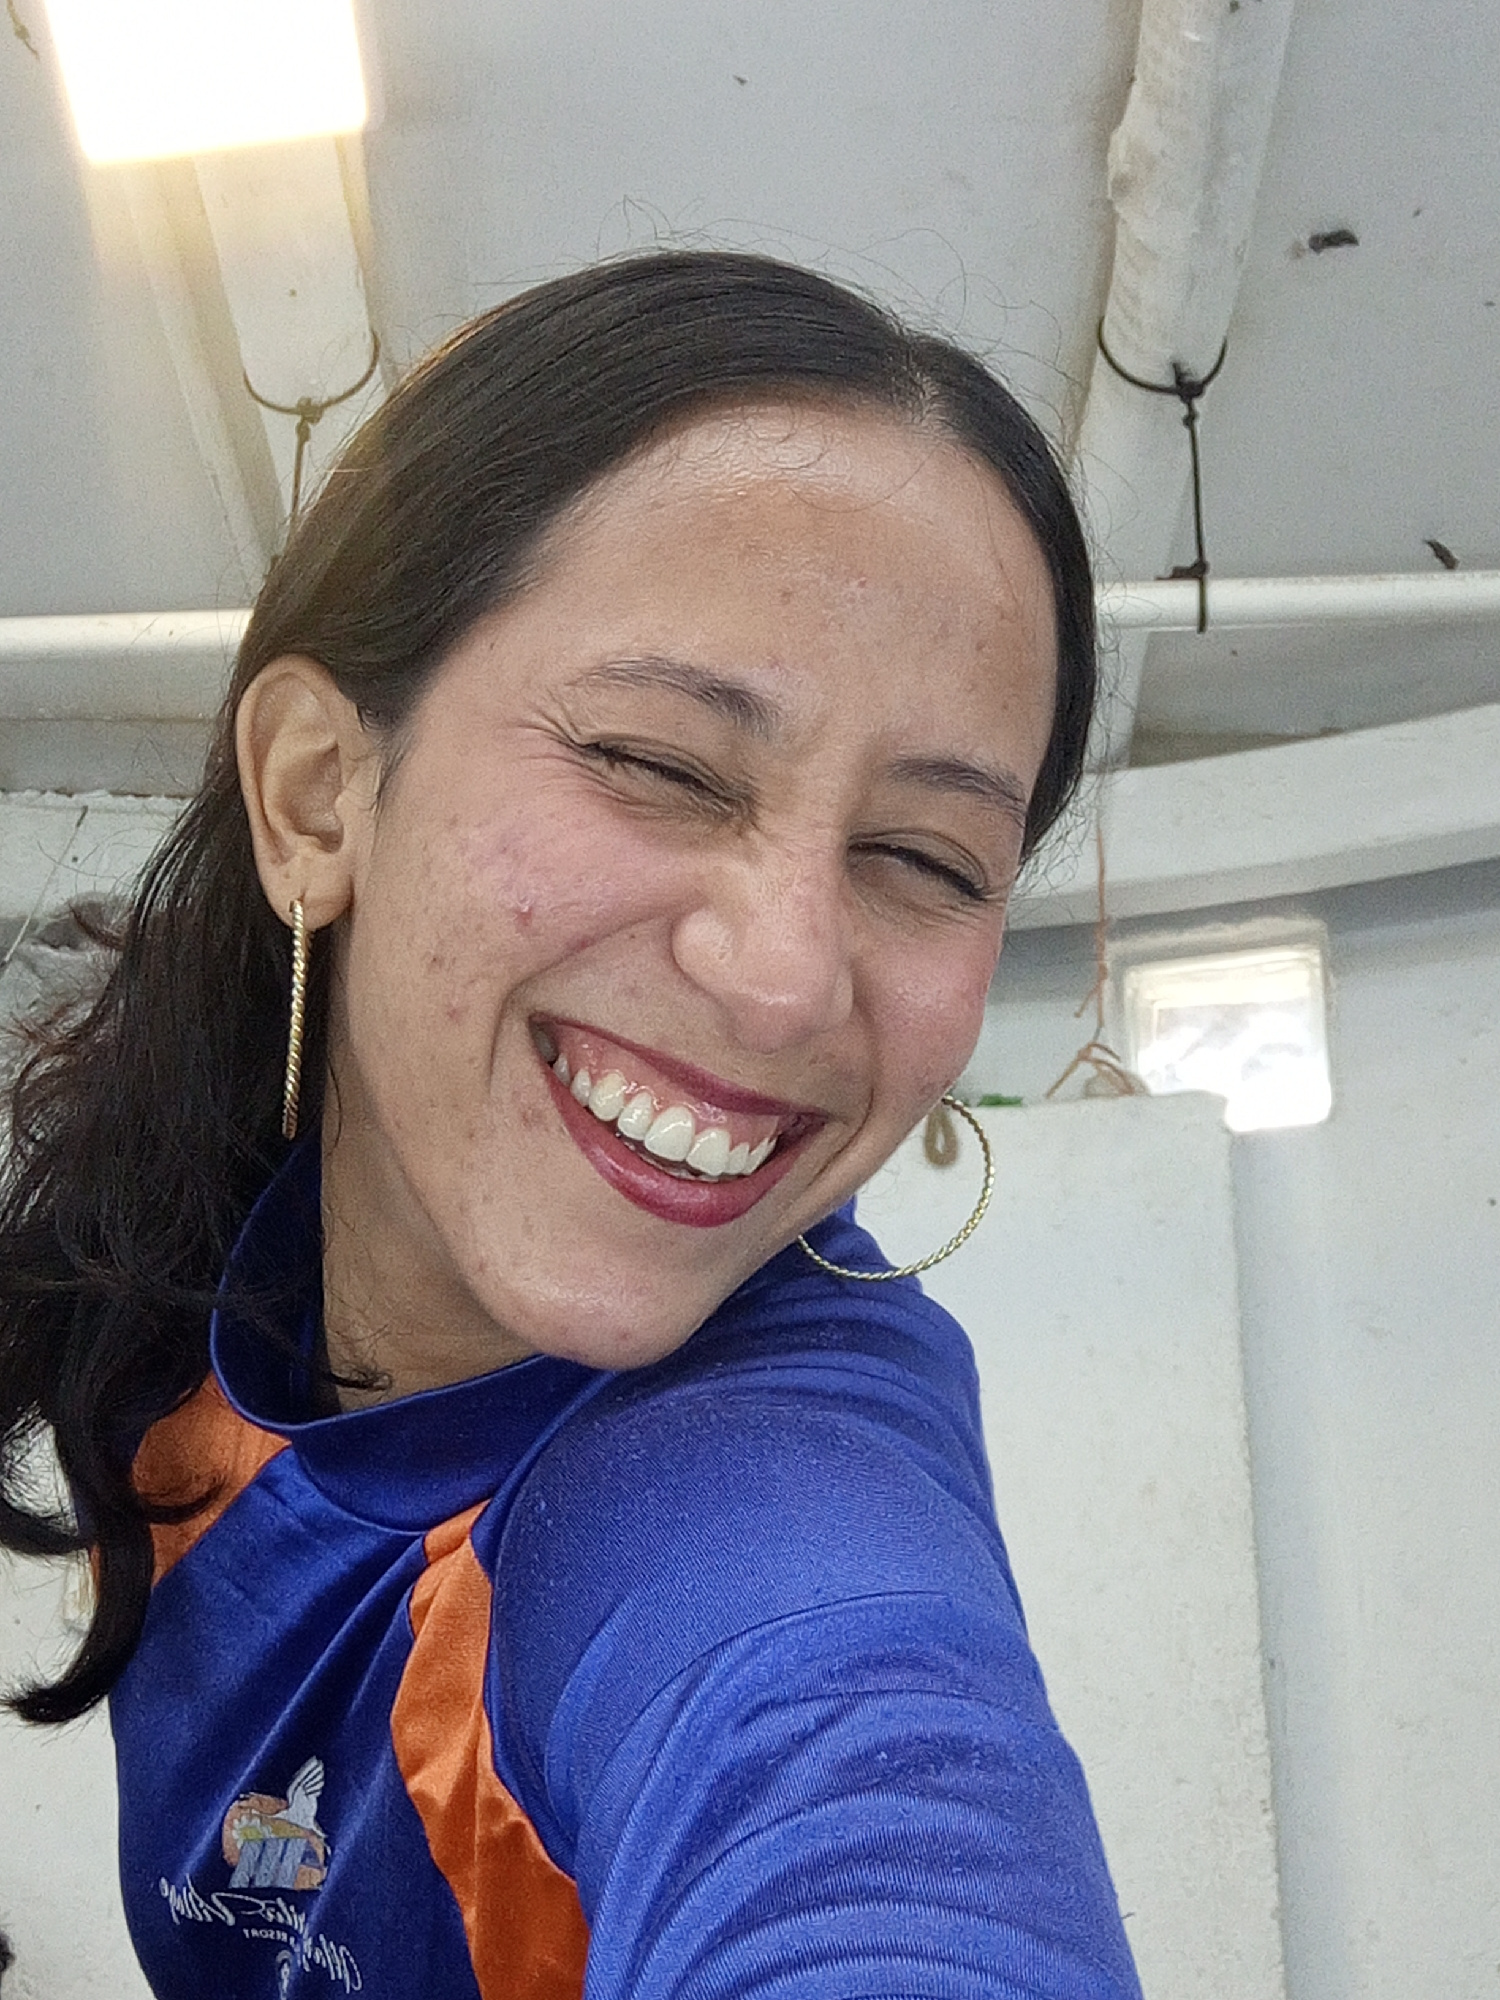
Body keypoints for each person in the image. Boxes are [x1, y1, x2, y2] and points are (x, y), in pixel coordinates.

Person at [0, 253, 1140, 1998]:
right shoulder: (160, 1195)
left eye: (925, 858)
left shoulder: (762, 1496)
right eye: (658, 763)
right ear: (317, 796)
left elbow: (860, 1789)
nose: (783, 980)